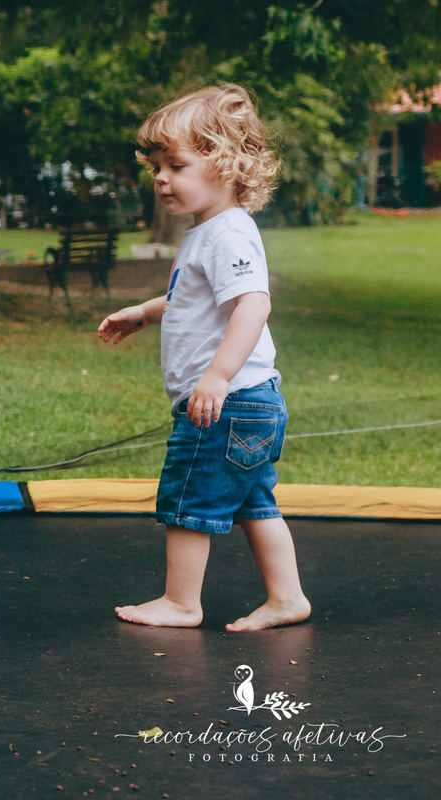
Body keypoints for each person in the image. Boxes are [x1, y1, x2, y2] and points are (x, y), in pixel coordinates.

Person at [96, 84, 311, 632]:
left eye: (176, 165)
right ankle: (287, 597)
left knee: (187, 495)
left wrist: (217, 376)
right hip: (252, 402)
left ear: (226, 164)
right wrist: (145, 312)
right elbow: (190, 299)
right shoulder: (208, 232)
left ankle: (181, 602)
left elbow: (253, 304)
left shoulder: (229, 233)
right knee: (256, 503)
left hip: (227, 402)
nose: (161, 178)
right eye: (156, 167)